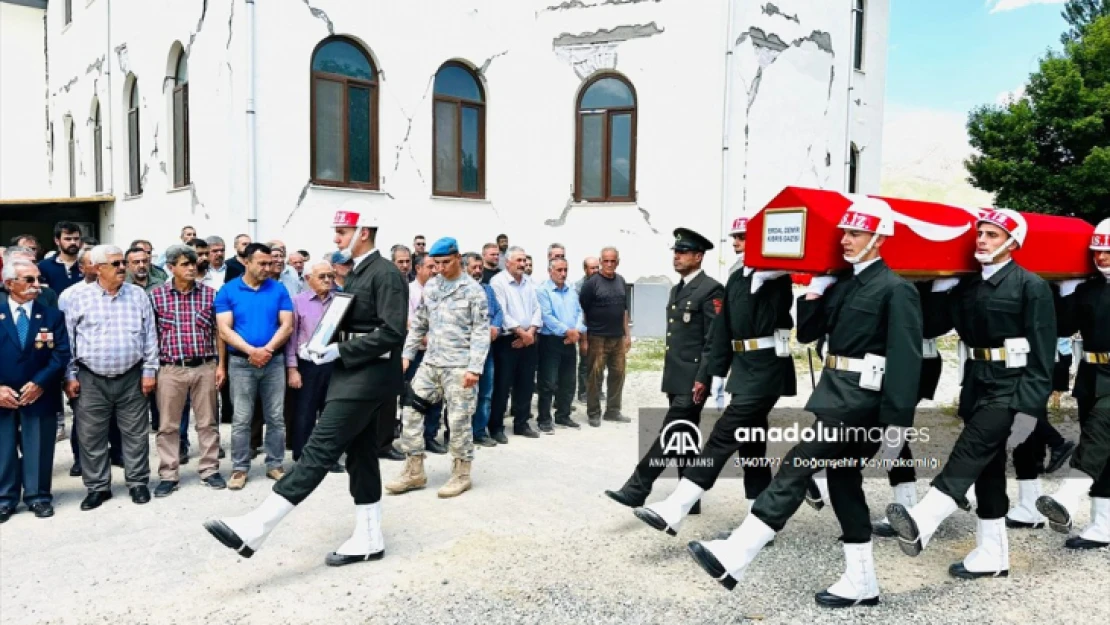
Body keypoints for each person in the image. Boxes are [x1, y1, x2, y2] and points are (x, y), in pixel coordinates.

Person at [687, 198, 923, 608]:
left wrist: (897, 422)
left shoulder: (896, 289)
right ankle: (862, 582)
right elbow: (809, 335)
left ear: (880, 238)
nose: (846, 240)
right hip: (836, 392)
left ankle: (738, 553)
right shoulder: (845, 283)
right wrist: (814, 291)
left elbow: (906, 361)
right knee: (843, 483)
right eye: (845, 233)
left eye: (856, 233)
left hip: (862, 401)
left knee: (798, 462)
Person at [204, 205, 408, 567]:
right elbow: (353, 321)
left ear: (363, 233)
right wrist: (322, 346)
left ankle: (257, 527)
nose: (335, 238)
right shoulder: (358, 273)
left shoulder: (385, 274)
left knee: (317, 449)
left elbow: (392, 332)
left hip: (367, 380)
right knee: (361, 458)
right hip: (352, 375)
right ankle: (369, 536)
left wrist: (339, 349)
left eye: (342, 233)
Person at [887, 209, 1055, 580]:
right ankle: (993, 554)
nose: (982, 240)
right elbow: (929, 326)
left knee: (970, 449)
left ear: (1013, 243)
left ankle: (923, 519)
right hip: (977, 382)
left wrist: (1030, 410)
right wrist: (936, 287)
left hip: (1012, 386)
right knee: (988, 470)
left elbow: (1043, 358)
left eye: (993, 235)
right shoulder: (968, 286)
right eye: (980, 233)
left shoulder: (1031, 286)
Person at [635, 223, 795, 535]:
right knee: (752, 444)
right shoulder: (737, 278)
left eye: (743, 238)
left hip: (766, 369)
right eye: (735, 238)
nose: (736, 242)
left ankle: (676, 507)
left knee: (723, 436)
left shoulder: (777, 281)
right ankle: (760, 522)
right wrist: (714, 374)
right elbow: (722, 330)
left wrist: (760, 283)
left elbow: (761, 322)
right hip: (744, 370)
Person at [606, 229, 725, 510]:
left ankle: (637, 488)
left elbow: (713, 339)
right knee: (683, 436)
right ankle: (690, 498)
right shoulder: (678, 288)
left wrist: (704, 378)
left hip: (694, 379)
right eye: (675, 252)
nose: (677, 257)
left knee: (671, 432)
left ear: (699, 256)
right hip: (676, 376)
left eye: (683, 252)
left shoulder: (711, 289)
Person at [387, 238, 489, 498]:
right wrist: (407, 355)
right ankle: (414, 470)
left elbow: (480, 331)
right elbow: (420, 322)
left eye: (445, 263)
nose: (440, 268)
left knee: (458, 420)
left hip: (459, 366)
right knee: (410, 408)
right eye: (436, 264)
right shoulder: (432, 287)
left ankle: (461, 473)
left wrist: (474, 368)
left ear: (457, 258)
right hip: (431, 363)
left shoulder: (473, 290)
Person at [65, 245, 160, 510]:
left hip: (132, 375)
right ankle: (98, 487)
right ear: (98, 269)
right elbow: (69, 340)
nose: (122, 267)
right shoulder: (78, 297)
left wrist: (149, 370)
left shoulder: (138, 295)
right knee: (91, 435)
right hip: (90, 377)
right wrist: (70, 375)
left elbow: (150, 335)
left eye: (122, 263)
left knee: (136, 433)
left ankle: (138, 482)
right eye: (115, 263)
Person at [1036, 218, 1110, 549]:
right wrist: (1066, 291)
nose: (1101, 257)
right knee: (1104, 451)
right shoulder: (1089, 289)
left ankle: (1067, 497)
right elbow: (1064, 328)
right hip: (1091, 377)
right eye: (1097, 251)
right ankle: (1103, 526)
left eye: (1107, 251)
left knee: (1097, 437)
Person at [215, 242, 294, 490]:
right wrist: (252, 351)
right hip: (240, 363)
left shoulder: (279, 289)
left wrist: (267, 350)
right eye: (262, 263)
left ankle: (275, 464)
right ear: (246, 262)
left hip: (273, 361)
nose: (268, 268)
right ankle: (239, 468)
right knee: (241, 418)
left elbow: (287, 325)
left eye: (270, 263)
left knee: (276, 417)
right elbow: (224, 329)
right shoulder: (228, 291)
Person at [149, 245, 226, 495]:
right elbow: (151, 336)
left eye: (193, 263)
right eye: (185, 264)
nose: (192, 268)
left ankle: (210, 470)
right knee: (168, 425)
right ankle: (169, 475)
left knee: (208, 423)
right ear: (171, 268)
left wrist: (220, 365)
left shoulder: (211, 295)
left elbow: (219, 333)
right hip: (171, 369)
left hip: (204, 366)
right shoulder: (156, 296)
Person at [0, 260, 69, 521]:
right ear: (9, 284)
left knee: (39, 446)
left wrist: (40, 383)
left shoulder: (51, 316)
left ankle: (38, 496)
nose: (36, 285)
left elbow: (61, 354)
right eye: (29, 280)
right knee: (2, 448)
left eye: (37, 279)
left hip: (40, 393)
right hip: (2, 395)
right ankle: (4, 499)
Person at [284, 261, 343, 470]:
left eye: (330, 276)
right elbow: (290, 338)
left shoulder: (340, 301)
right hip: (307, 364)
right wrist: (292, 369)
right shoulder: (297, 302)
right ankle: (303, 457)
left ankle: (329, 457)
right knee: (305, 412)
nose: (328, 280)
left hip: (335, 364)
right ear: (308, 279)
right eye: (322, 277)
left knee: (331, 413)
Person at [489, 246, 543, 440]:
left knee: (526, 383)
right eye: (518, 260)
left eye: (524, 260)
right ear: (507, 262)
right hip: (508, 341)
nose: (522, 264)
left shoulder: (529, 282)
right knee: (502, 385)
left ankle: (521, 424)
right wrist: (521, 333)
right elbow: (501, 312)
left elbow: (537, 309)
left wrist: (530, 333)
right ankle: (496, 427)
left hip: (529, 339)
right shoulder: (498, 282)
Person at [579, 247, 631, 426]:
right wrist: (584, 339)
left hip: (617, 337)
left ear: (618, 261)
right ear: (601, 262)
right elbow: (582, 313)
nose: (609, 264)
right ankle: (593, 412)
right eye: (606, 261)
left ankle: (613, 411)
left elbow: (625, 310)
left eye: (613, 261)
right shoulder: (591, 284)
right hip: (597, 337)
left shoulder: (621, 281)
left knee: (618, 373)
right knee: (595, 375)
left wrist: (627, 335)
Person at [536, 257, 586, 432]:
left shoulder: (571, 290)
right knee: (548, 382)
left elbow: (580, 312)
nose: (563, 274)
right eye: (559, 270)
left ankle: (563, 416)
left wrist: (577, 331)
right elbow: (546, 316)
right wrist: (567, 331)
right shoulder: (543, 290)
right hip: (551, 341)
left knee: (569, 381)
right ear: (550, 271)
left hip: (571, 340)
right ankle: (543, 419)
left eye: (565, 270)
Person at [405, 253, 448, 454]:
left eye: (436, 266)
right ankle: (414, 439)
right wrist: (425, 338)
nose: (434, 271)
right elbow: (409, 321)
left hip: (438, 352)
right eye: (430, 266)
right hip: (418, 352)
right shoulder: (409, 291)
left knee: (436, 396)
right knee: (416, 397)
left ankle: (430, 435)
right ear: (418, 268)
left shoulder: (440, 290)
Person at [464, 253, 503, 446]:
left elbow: (498, 312)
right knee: (464, 394)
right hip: (465, 350)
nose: (478, 271)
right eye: (474, 267)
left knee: (485, 393)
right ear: (465, 268)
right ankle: (460, 433)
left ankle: (479, 431)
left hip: (486, 351)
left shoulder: (487, 289)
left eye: (480, 267)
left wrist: (495, 327)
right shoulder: (459, 291)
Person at [574, 256, 601, 403]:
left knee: (600, 361)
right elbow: (579, 312)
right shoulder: (579, 287)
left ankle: (598, 390)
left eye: (597, 267)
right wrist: (583, 338)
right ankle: (583, 392)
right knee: (585, 361)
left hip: (602, 330)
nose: (596, 271)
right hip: (586, 329)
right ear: (585, 269)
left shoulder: (604, 282)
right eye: (592, 268)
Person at [37, 221, 85, 294]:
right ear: (57, 241)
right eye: (68, 239)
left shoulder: (87, 264)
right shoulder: (44, 266)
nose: (73, 242)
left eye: (76, 239)